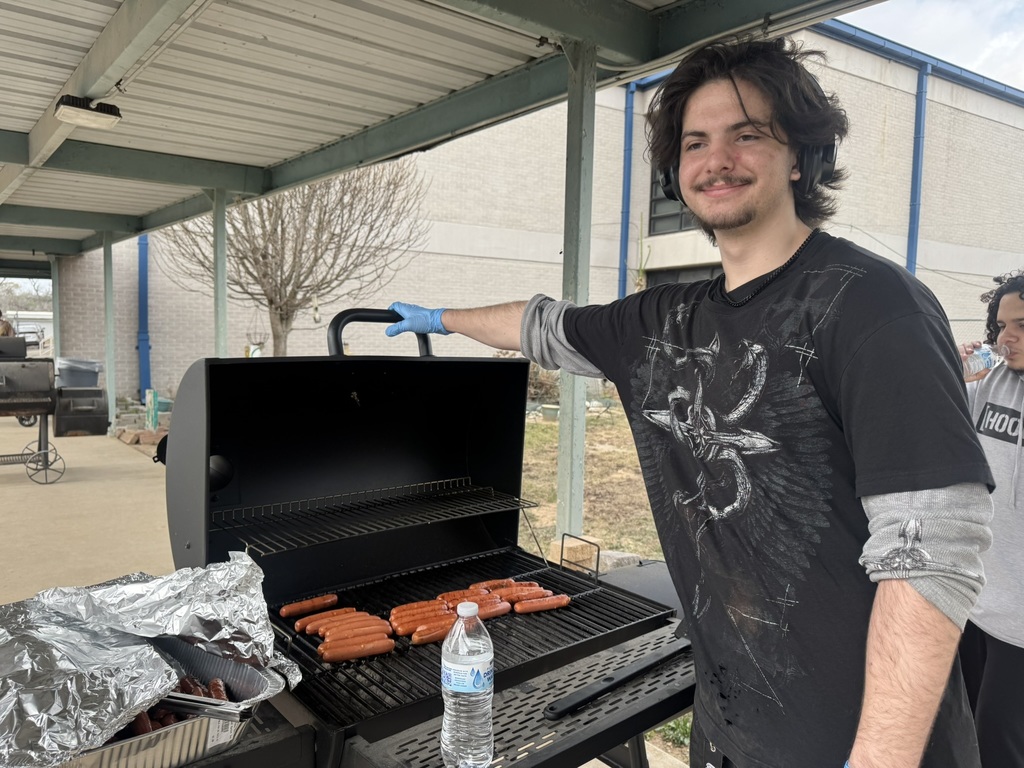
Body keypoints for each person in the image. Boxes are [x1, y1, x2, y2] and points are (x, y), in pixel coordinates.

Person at [387, 37, 993, 768]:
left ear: (799, 157)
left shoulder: (871, 305)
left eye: (748, 134)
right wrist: (439, 319)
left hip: (859, 742)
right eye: (695, 142)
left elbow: (931, 553)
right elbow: (540, 326)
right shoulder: (660, 321)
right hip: (730, 727)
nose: (717, 159)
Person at [957, 271, 1024, 767]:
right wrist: (952, 377)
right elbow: (950, 437)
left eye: (1021, 325)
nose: (1006, 339)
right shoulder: (994, 378)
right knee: (966, 737)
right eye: (1001, 326)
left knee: (1001, 744)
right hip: (975, 601)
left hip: (1020, 624)